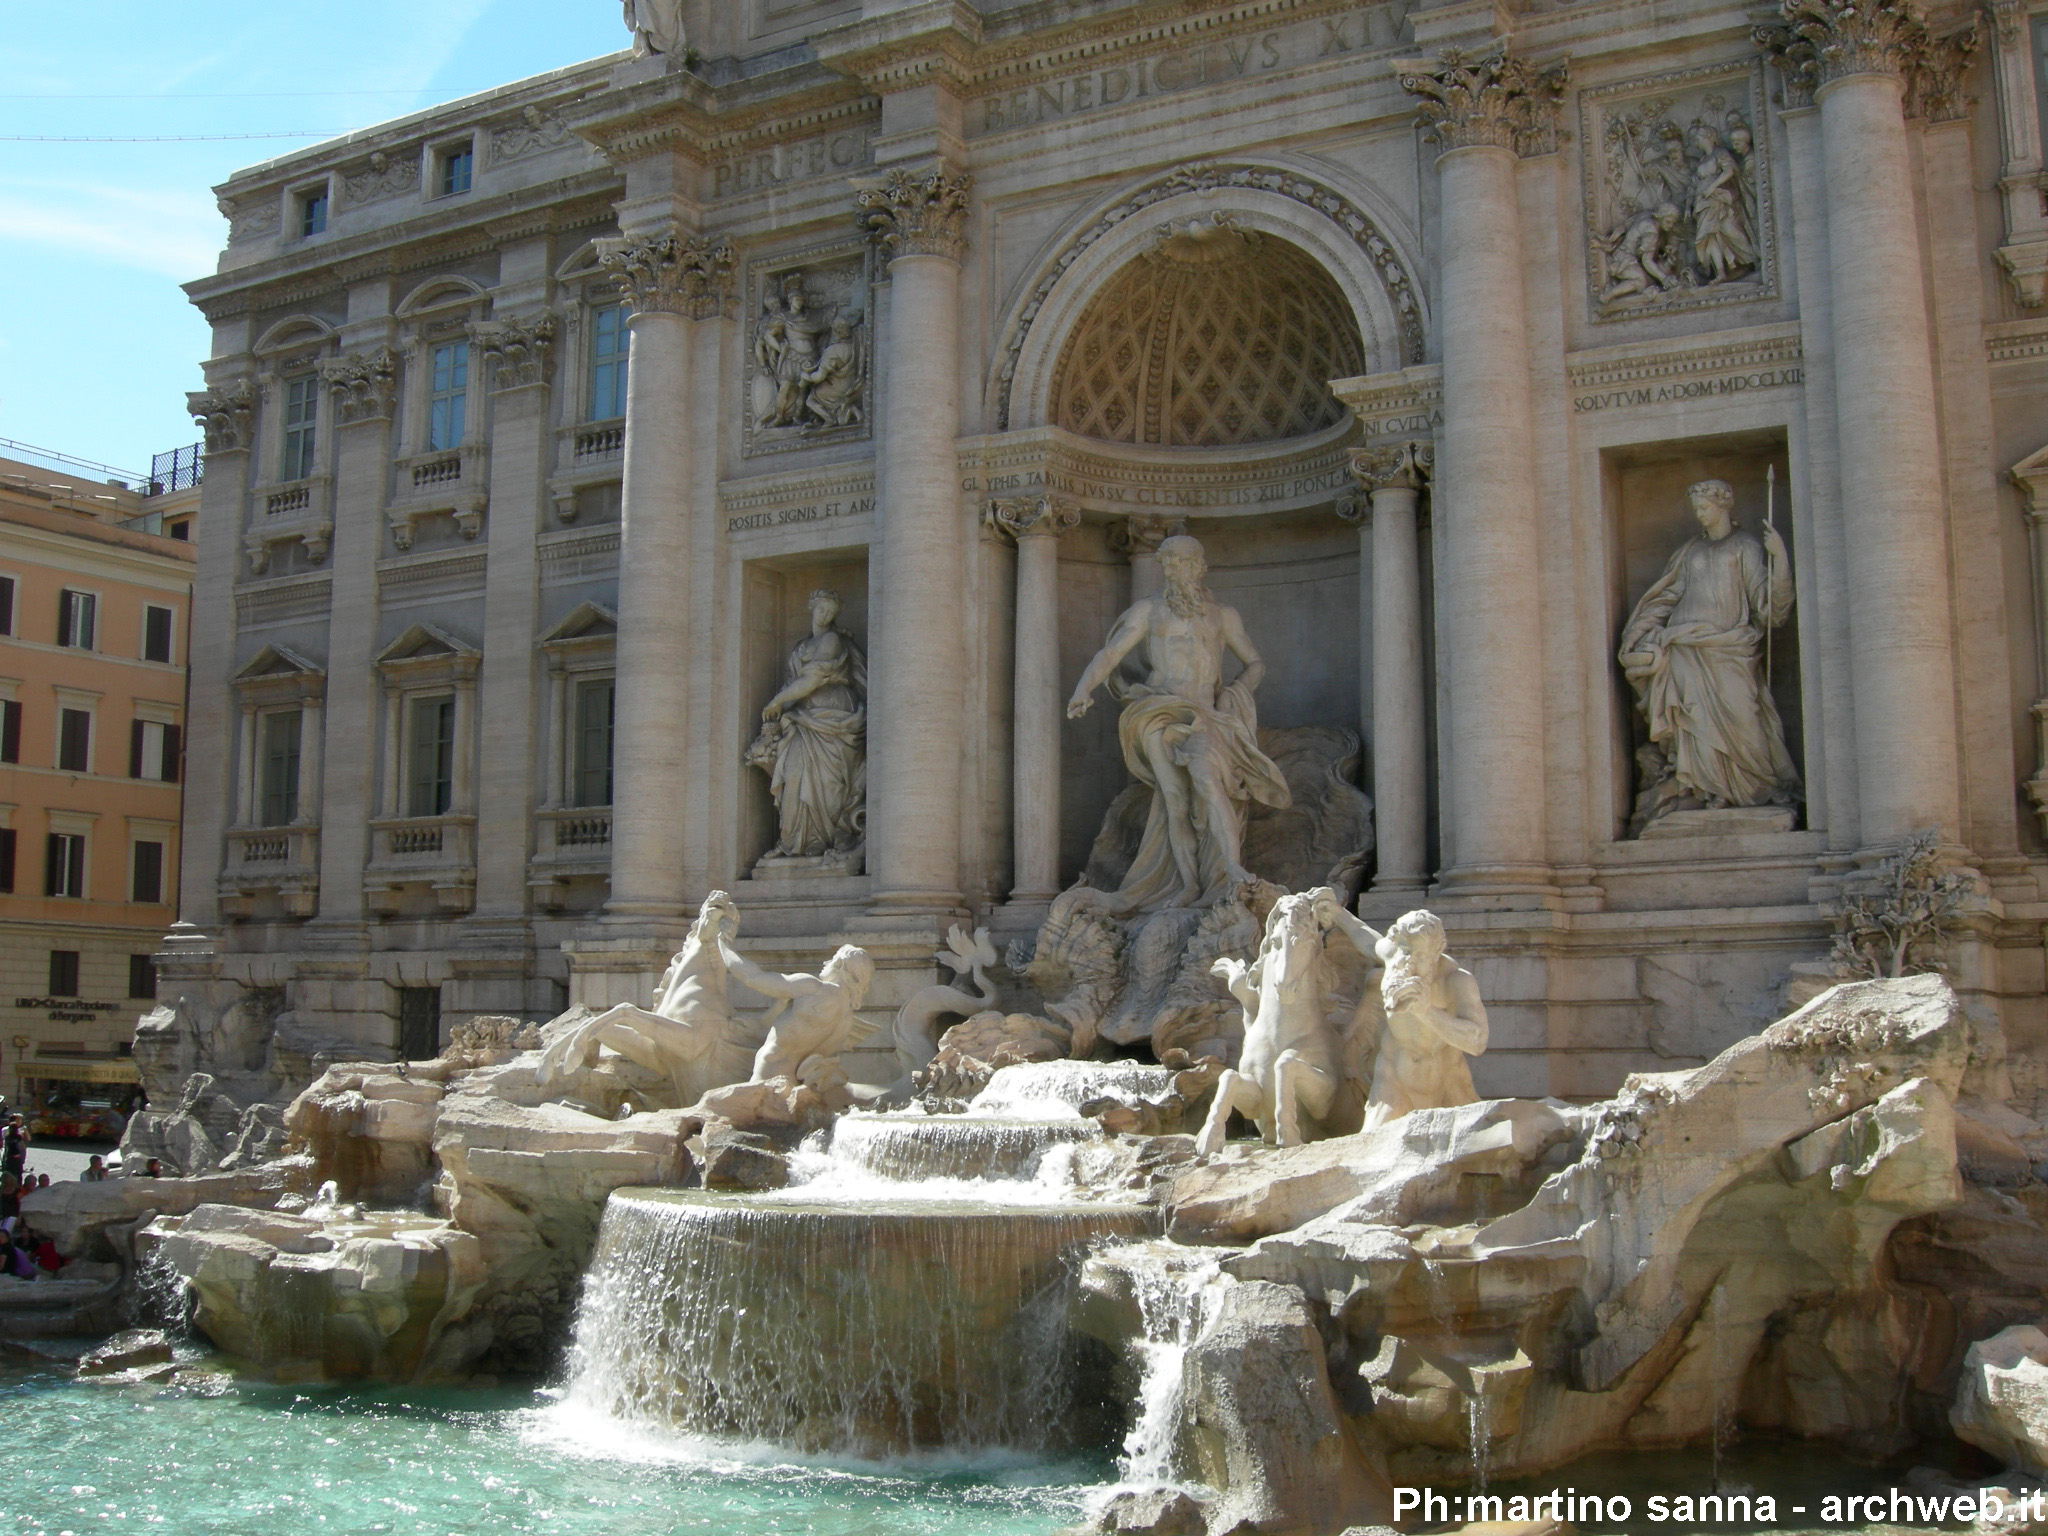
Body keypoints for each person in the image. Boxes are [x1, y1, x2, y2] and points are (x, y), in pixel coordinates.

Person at [1066, 534, 1290, 913]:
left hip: (1205, 714)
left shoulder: (1223, 615)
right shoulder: (1149, 611)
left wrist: (1235, 691)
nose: (1171, 570)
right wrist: (1082, 688)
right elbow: (1112, 653)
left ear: (1198, 566)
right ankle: (1187, 884)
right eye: (1167, 564)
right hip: (1157, 709)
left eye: (1179, 562)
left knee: (1205, 776)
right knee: (1174, 798)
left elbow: (1255, 662)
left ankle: (1232, 868)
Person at [1618, 478, 1799, 831]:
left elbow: (1768, 608)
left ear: (1724, 507)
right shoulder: (1690, 552)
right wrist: (1636, 633)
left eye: (1705, 508)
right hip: (1685, 647)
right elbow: (1665, 598)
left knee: (1744, 717)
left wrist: (1780, 558)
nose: (1700, 514)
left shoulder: (1745, 546)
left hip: (1729, 647)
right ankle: (1703, 790)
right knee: (1694, 721)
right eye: (1696, 509)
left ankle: (1753, 788)